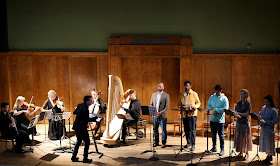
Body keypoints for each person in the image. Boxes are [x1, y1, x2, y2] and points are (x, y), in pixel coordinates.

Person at [71, 96, 97, 163]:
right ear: (87, 101)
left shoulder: (80, 105)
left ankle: (73, 157)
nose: (91, 101)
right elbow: (87, 119)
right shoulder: (85, 108)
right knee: (87, 142)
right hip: (81, 128)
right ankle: (85, 159)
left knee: (78, 141)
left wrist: (79, 111)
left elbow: (74, 112)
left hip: (77, 127)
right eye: (90, 100)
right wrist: (95, 119)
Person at [178, 80, 201, 151]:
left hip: (192, 114)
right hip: (185, 114)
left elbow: (198, 103)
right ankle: (188, 142)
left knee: (192, 130)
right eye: (185, 86)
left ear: (190, 86)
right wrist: (181, 107)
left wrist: (194, 106)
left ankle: (193, 144)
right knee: (186, 129)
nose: (186, 87)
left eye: (188, 86)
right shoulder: (181, 94)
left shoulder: (194, 94)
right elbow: (179, 104)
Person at [207, 84, 229, 156]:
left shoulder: (224, 98)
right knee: (213, 134)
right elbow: (208, 105)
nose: (216, 92)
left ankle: (222, 149)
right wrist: (211, 109)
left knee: (221, 135)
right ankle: (214, 147)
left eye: (218, 91)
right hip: (212, 119)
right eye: (216, 91)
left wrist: (216, 110)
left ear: (221, 91)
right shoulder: (212, 97)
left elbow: (225, 108)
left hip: (220, 120)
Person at [258, 95, 278, 165]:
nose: (265, 103)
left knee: (269, 143)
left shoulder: (273, 110)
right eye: (265, 101)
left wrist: (266, 123)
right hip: (263, 129)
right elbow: (260, 114)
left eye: (266, 102)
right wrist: (259, 119)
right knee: (265, 143)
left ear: (270, 102)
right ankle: (269, 156)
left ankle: (269, 156)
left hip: (269, 129)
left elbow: (275, 120)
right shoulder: (263, 108)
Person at [233, 89, 253, 160]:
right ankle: (240, 152)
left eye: (242, 94)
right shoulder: (238, 103)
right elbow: (236, 112)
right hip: (239, 122)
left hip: (245, 123)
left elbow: (247, 114)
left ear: (246, 95)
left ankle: (247, 153)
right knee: (239, 138)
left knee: (245, 138)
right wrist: (235, 113)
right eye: (240, 94)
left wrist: (239, 113)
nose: (241, 96)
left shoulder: (248, 104)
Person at [150, 82, 170, 148]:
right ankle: (156, 141)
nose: (159, 87)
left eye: (161, 86)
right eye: (158, 86)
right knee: (155, 129)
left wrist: (160, 112)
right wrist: (153, 112)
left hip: (162, 116)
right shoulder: (153, 95)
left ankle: (163, 142)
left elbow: (167, 106)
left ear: (163, 87)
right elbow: (151, 104)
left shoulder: (166, 95)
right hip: (155, 115)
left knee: (163, 130)